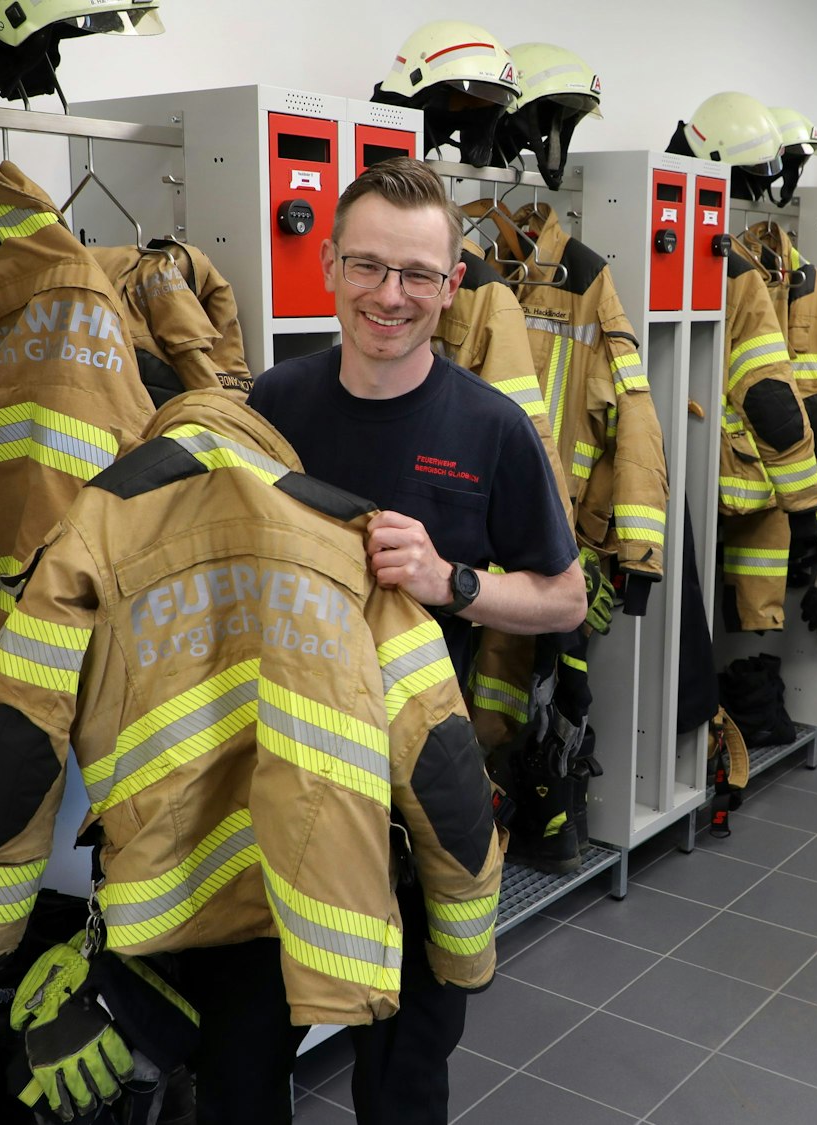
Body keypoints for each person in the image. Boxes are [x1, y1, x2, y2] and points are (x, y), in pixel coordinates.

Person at [248, 156, 585, 1123]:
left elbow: (565, 598)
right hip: (281, 795)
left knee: (400, 1082)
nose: (389, 298)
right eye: (367, 267)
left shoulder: (491, 430)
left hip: (415, 819)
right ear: (328, 265)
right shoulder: (273, 404)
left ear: (451, 288)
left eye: (418, 277)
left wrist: (453, 581)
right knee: (242, 1064)